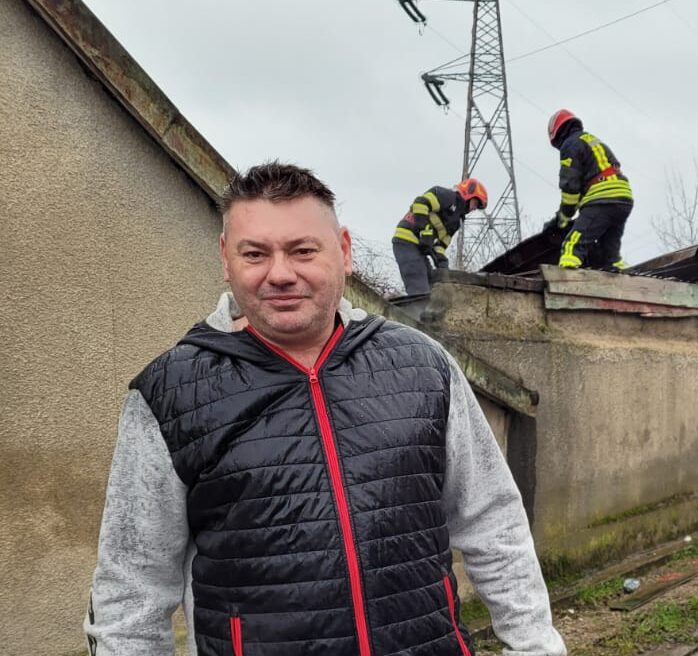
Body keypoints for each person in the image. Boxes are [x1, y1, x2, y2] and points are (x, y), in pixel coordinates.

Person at [84, 162, 564, 656]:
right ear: (226, 260)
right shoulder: (170, 393)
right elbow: (130, 594)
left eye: (303, 250)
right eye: (255, 254)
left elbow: (493, 521)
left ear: (345, 252)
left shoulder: (424, 364)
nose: (281, 274)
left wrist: (535, 645)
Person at [543, 109, 634, 270]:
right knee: (610, 255)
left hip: (603, 198)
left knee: (572, 247)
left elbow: (571, 188)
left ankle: (566, 282)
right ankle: (624, 277)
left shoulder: (570, 145)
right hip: (623, 198)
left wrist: (561, 220)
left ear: (557, 135)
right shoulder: (591, 140)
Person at [393, 178, 487, 295]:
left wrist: (441, 261)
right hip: (406, 240)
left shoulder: (457, 220)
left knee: (431, 282)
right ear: (469, 194)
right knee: (418, 282)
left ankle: (422, 310)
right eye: (475, 203)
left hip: (419, 247)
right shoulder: (446, 196)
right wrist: (425, 232)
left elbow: (442, 243)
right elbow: (420, 203)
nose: (474, 208)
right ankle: (414, 310)